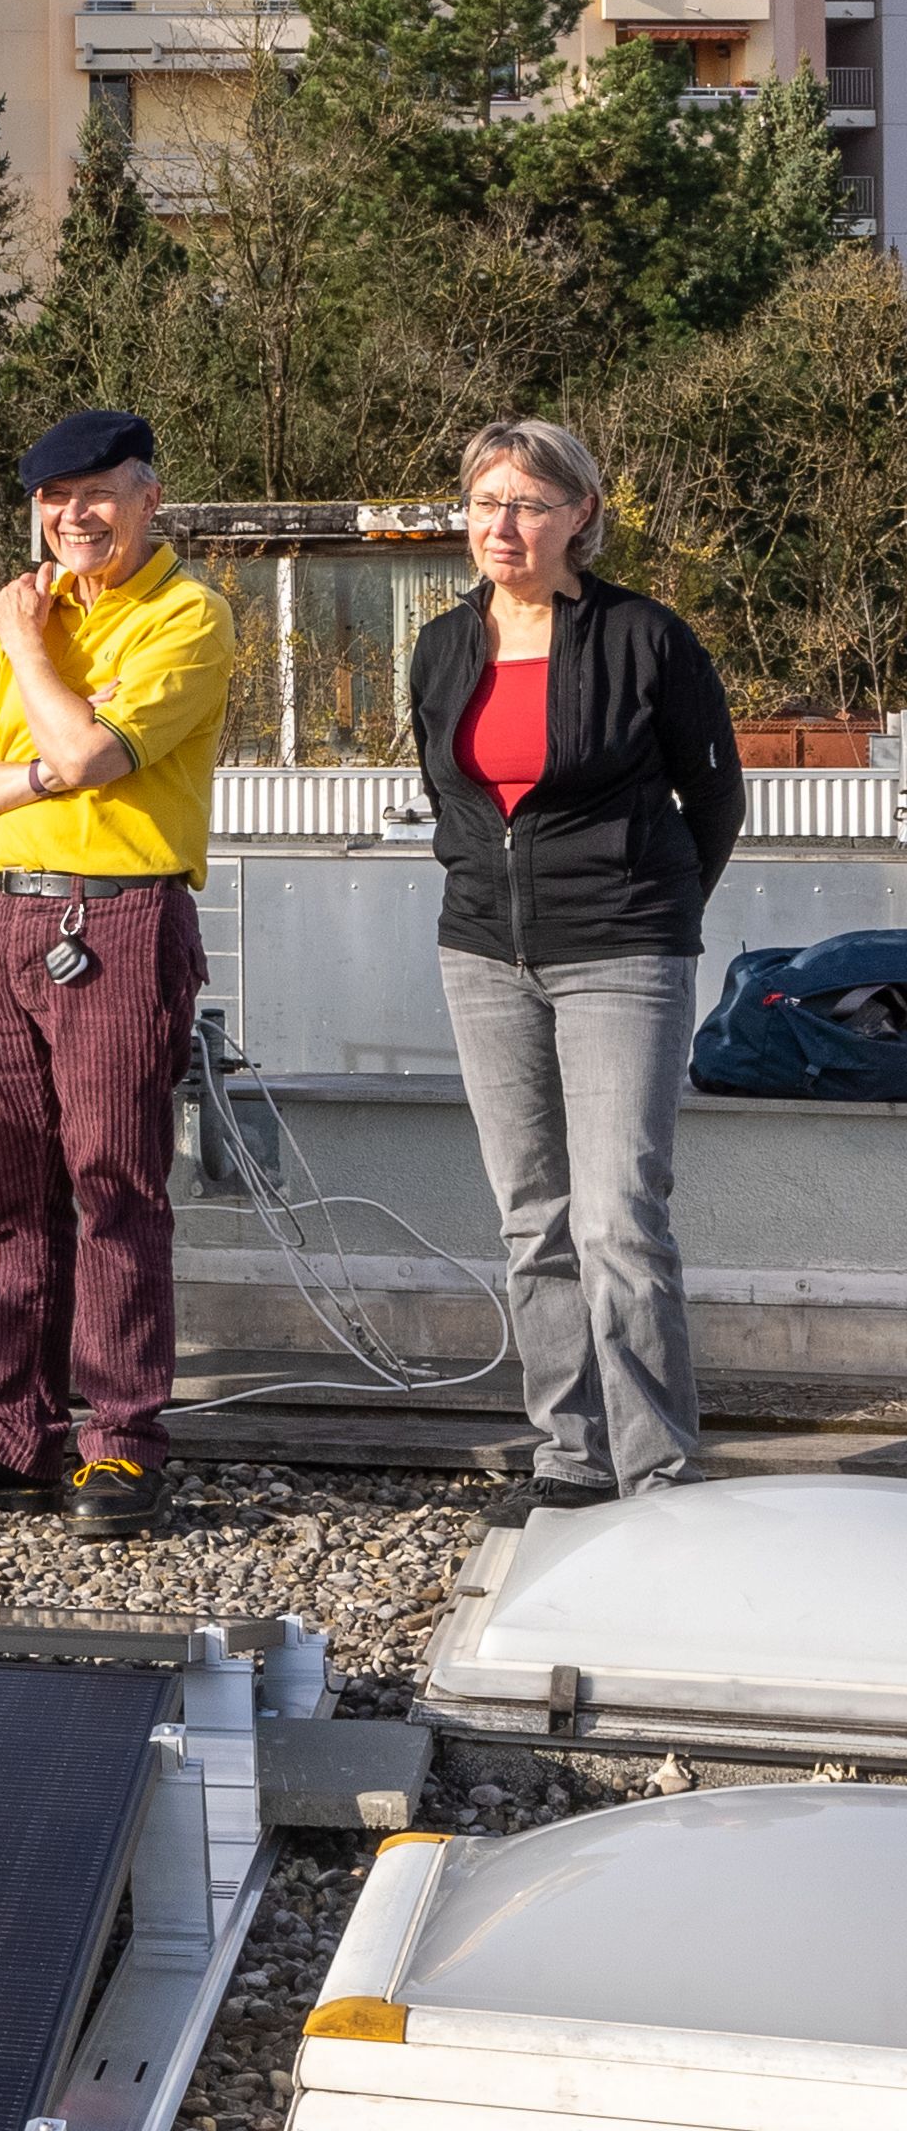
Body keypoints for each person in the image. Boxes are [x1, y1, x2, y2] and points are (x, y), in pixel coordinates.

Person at [0, 409, 236, 1542]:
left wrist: (31, 663)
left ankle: (122, 1445)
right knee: (8, 1197)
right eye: (52, 498)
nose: (71, 516)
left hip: (121, 917)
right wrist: (52, 765)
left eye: (95, 493)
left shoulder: (184, 616)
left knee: (114, 1189)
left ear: (149, 500)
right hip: (1, 921)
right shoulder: (33, 617)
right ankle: (10, 1433)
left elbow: (95, 755)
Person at [411, 418, 743, 1519]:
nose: (501, 526)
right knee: (531, 1217)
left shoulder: (647, 639)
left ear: (579, 516)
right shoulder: (441, 645)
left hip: (622, 954)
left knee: (618, 1218)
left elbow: (716, 802)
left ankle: (659, 1471)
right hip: (482, 956)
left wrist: (650, 911)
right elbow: (454, 799)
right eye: (484, 503)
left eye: (528, 504)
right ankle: (570, 1453)